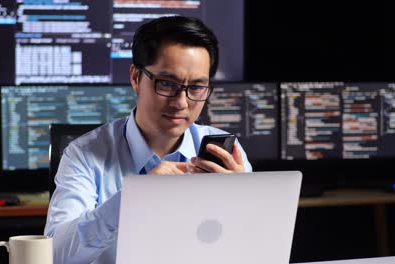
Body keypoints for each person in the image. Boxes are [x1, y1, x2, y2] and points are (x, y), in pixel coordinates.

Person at [44, 15, 252, 263]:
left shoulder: (225, 154)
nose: (181, 103)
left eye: (196, 87)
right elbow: (55, 255)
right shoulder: (83, 155)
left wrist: (239, 204)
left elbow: (251, 252)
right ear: (135, 77)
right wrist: (132, 198)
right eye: (167, 83)